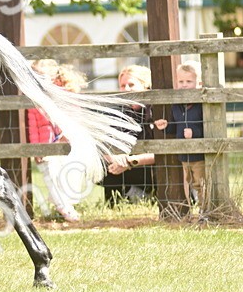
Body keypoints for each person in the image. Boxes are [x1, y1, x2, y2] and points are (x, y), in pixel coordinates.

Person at [29, 62, 90, 222]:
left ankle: (66, 204)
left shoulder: (66, 94)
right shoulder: (32, 100)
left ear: (54, 77)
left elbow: (76, 117)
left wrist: (65, 136)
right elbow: (32, 127)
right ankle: (64, 208)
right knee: (49, 172)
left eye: (43, 77)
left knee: (67, 173)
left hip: (66, 143)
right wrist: (36, 149)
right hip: (45, 145)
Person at [101, 64, 158, 206]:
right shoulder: (118, 111)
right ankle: (117, 205)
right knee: (102, 165)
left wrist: (130, 161)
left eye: (131, 85)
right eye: (122, 85)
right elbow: (102, 144)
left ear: (145, 86)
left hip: (150, 167)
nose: (126, 89)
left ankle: (149, 197)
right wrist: (115, 159)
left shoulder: (157, 109)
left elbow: (164, 151)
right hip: (124, 164)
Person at [155, 61, 206, 216]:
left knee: (201, 183)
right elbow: (175, 128)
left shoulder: (201, 105)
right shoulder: (176, 106)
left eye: (189, 81)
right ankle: (191, 211)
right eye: (181, 81)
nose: (184, 85)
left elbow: (209, 127)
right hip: (184, 155)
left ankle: (205, 211)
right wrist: (166, 126)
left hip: (199, 154)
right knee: (188, 183)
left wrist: (194, 132)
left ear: (199, 83)